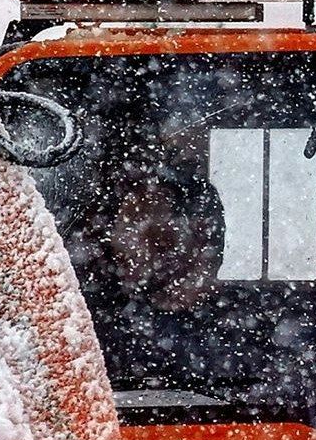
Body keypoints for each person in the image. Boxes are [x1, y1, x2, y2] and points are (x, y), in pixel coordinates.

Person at [78, 149, 254, 391]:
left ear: (200, 234)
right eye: (126, 225)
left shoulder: (253, 330)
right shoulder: (87, 326)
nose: (120, 242)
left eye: (144, 227)